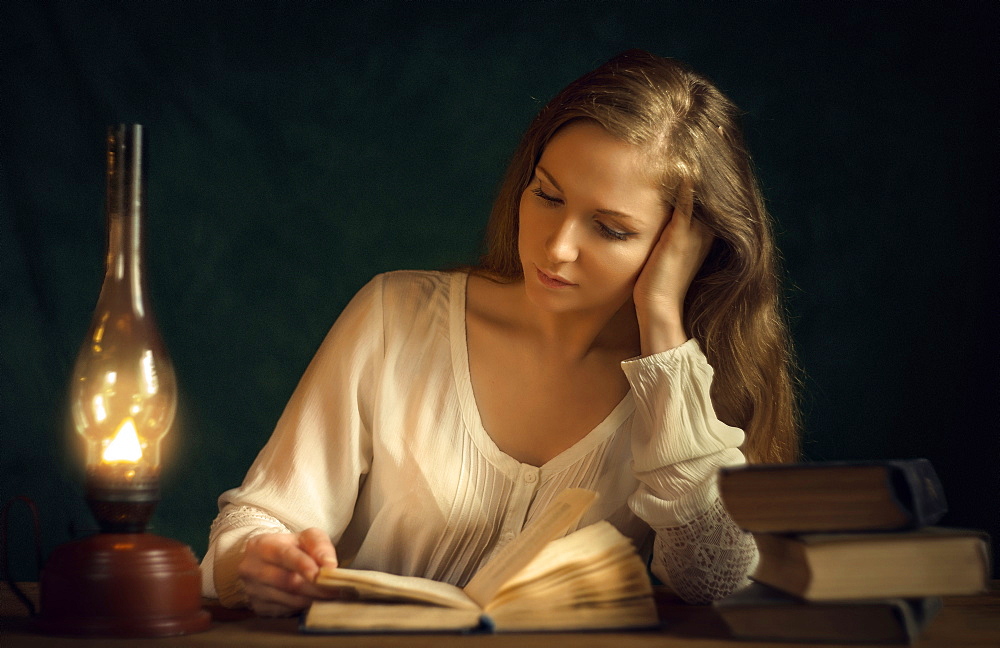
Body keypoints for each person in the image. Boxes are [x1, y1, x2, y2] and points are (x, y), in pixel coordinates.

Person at [201, 49, 799, 617]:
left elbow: (713, 580)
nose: (558, 246)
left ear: (682, 246)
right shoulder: (395, 317)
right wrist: (261, 559)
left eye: (611, 229)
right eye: (546, 195)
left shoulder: (691, 392)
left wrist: (662, 320)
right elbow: (257, 520)